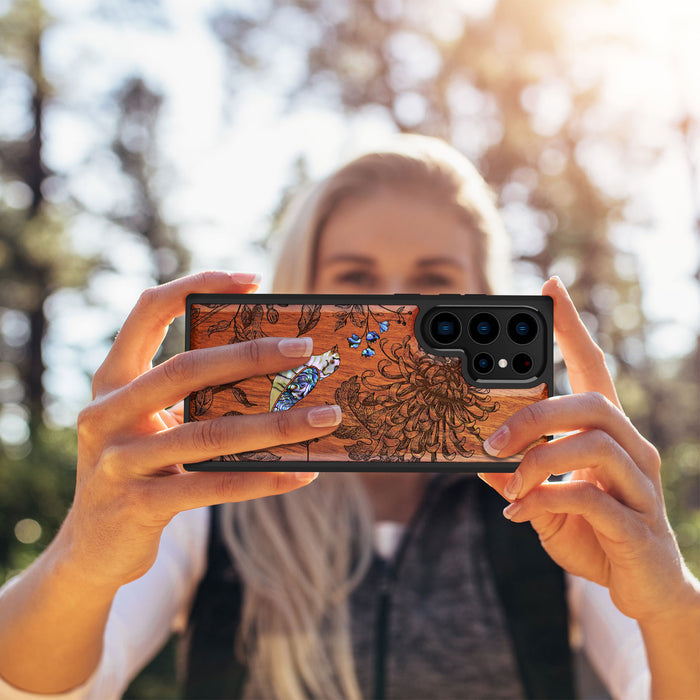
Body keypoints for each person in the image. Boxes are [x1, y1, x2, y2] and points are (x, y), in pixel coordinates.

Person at [0, 135, 698, 700]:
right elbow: (43, 687)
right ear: (300, 293)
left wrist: (669, 603)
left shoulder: (552, 499)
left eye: (432, 281)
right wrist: (81, 559)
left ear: (486, 300)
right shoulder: (206, 493)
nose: (392, 304)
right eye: (355, 279)